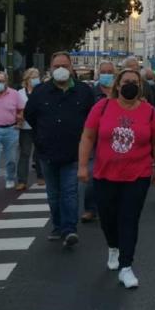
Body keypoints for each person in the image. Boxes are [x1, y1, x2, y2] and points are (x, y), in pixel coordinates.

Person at [78, 69, 155, 289]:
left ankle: (126, 266)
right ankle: (113, 247)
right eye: (126, 82)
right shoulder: (102, 107)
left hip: (138, 175)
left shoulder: (149, 112)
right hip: (105, 174)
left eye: (135, 82)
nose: (130, 86)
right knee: (108, 218)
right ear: (118, 85)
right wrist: (82, 166)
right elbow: (88, 136)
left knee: (129, 219)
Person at [25, 51, 95, 248]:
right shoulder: (40, 92)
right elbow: (30, 115)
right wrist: (42, 135)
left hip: (74, 152)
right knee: (54, 194)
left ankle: (69, 229)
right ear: (50, 69)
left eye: (65, 66)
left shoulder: (83, 91)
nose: (61, 70)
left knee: (70, 192)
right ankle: (57, 225)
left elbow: (92, 119)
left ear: (72, 68)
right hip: (47, 151)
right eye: (57, 66)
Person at [82, 61, 117, 223]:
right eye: (104, 71)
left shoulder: (120, 93)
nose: (107, 74)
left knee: (113, 175)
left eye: (110, 71)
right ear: (98, 74)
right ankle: (90, 208)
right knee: (92, 173)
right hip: (95, 138)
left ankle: (111, 207)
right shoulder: (90, 93)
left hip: (115, 138)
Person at [16, 68, 44, 191]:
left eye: (37, 76)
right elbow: (15, 109)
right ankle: (22, 180)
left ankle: (41, 176)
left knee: (40, 152)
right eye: (33, 77)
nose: (35, 79)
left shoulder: (42, 91)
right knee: (25, 153)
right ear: (27, 79)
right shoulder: (20, 93)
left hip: (39, 126)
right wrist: (18, 117)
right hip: (25, 127)